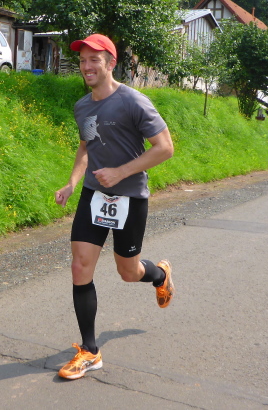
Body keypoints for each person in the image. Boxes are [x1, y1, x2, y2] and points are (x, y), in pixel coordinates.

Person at [54, 34, 175, 380]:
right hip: (94, 194)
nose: (86, 66)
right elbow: (86, 147)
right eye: (82, 61)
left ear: (111, 63)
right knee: (80, 266)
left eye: (94, 59)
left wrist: (121, 172)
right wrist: (72, 182)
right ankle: (90, 351)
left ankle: (160, 275)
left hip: (130, 197)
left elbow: (165, 147)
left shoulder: (133, 101)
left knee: (128, 272)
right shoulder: (83, 106)